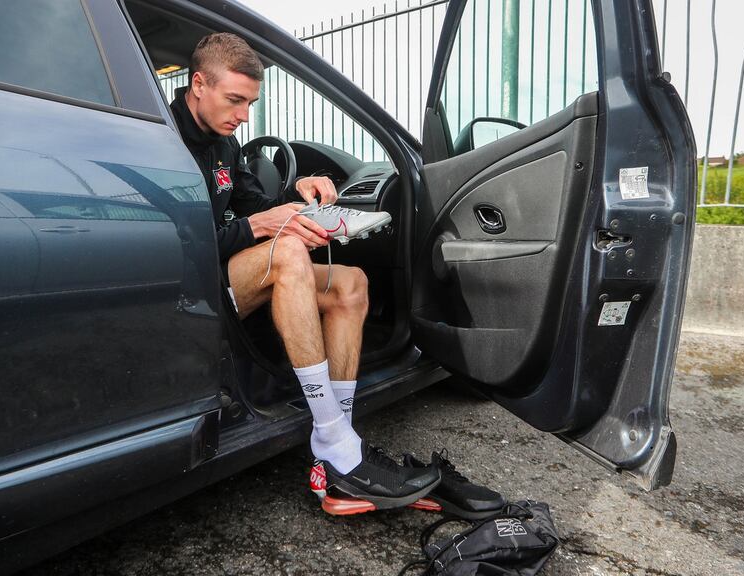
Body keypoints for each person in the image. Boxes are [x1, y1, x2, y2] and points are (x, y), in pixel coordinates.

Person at [171, 32, 504, 516]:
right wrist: (259, 226)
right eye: (235, 100)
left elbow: (253, 205)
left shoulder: (225, 143)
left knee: (352, 283)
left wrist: (296, 198)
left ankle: (338, 451)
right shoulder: (163, 139)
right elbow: (178, 244)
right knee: (288, 251)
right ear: (199, 84)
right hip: (189, 288)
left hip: (230, 274)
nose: (243, 114)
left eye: (250, 103)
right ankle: (335, 441)